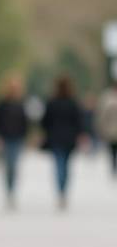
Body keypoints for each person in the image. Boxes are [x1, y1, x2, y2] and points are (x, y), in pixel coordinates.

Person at [40, 74, 85, 209]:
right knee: (65, 165)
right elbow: (79, 121)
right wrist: (80, 135)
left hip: (55, 138)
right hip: (69, 139)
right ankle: (63, 190)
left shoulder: (52, 102)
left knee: (59, 164)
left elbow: (45, 121)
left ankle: (61, 191)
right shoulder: (73, 102)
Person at [0, 74, 29, 208]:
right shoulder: (1, 104)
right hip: (5, 139)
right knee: (7, 166)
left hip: (17, 139)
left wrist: (26, 137)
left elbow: (25, 122)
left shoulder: (21, 104)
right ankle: (9, 191)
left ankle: (12, 190)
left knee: (14, 166)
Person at [95, 79, 117, 176]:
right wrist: (101, 127)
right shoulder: (107, 96)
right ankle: (113, 166)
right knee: (112, 150)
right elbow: (102, 114)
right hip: (111, 129)